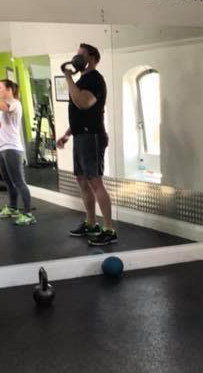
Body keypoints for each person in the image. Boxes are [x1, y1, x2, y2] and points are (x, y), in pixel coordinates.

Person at [56, 43, 117, 246]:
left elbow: (83, 103)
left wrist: (67, 77)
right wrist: (67, 134)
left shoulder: (94, 79)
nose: (76, 58)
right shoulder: (83, 79)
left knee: (95, 182)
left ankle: (109, 229)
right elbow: (80, 114)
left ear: (91, 58)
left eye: (80, 55)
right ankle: (91, 223)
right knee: (82, 181)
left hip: (92, 136)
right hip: (81, 135)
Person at [0, 78, 35, 226]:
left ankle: (28, 214)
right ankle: (13, 208)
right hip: (2, 148)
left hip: (12, 149)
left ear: (9, 90)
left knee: (19, 182)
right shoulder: (4, 107)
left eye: (0, 88)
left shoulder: (14, 104)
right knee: (8, 181)